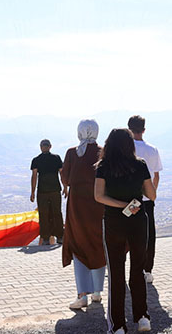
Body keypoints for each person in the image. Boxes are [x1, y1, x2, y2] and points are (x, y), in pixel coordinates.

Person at [95, 128, 156, 334]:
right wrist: (131, 201)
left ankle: (118, 325)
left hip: (113, 222)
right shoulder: (140, 165)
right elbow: (152, 195)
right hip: (138, 220)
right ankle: (142, 317)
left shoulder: (103, 166)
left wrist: (120, 204)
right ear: (130, 145)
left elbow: (99, 196)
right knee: (138, 269)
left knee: (116, 273)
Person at [61, 120, 106, 310]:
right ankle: (97, 292)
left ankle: (82, 295)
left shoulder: (72, 153)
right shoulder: (103, 151)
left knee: (78, 244)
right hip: (99, 204)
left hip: (77, 206)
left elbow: (65, 178)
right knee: (98, 243)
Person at [128, 115, 162, 284]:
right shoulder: (152, 150)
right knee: (148, 234)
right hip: (146, 200)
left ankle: (126, 267)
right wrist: (151, 193)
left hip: (127, 199)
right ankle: (147, 270)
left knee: (125, 231)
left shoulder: (124, 150)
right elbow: (156, 175)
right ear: (144, 129)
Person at [31, 139, 64, 246]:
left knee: (44, 214)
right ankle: (59, 237)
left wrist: (32, 192)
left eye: (44, 145)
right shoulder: (56, 158)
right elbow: (61, 173)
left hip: (43, 191)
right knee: (56, 213)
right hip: (53, 190)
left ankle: (46, 238)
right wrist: (65, 187)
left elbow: (34, 176)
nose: (44, 147)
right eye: (43, 145)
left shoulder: (37, 160)